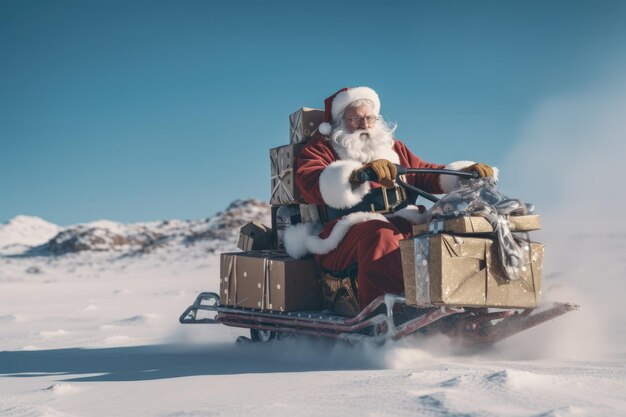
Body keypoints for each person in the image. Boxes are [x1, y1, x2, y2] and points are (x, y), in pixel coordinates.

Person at [284, 86, 496, 311]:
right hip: (343, 234)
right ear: (339, 120)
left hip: (402, 222)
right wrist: (357, 175)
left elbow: (424, 172)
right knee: (381, 236)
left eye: (370, 118)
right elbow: (310, 181)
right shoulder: (320, 148)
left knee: (453, 229)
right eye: (356, 118)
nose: (365, 125)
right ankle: (385, 317)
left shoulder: (395, 148)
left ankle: (466, 309)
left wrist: (464, 174)